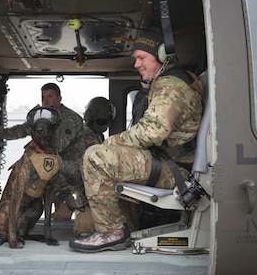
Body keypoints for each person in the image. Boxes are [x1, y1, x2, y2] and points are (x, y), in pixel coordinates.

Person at [69, 29, 204, 253]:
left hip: (176, 172)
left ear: (162, 57)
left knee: (95, 157)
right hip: (169, 163)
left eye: (142, 58)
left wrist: (111, 142)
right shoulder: (166, 84)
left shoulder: (171, 87)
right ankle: (117, 227)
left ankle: (110, 232)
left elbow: (152, 132)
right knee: (104, 157)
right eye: (136, 59)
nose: (136, 65)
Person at [0, 83, 86, 218]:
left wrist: (36, 132)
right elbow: (20, 130)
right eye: (43, 97)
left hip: (73, 167)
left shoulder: (71, 119)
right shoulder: (43, 116)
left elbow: (56, 147)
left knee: (45, 164)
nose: (46, 101)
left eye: (50, 97)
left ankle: (67, 201)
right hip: (55, 163)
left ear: (59, 99)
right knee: (31, 167)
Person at [73, 96, 116, 236]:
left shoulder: (96, 135)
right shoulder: (87, 135)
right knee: (85, 227)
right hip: (88, 197)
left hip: (91, 195)